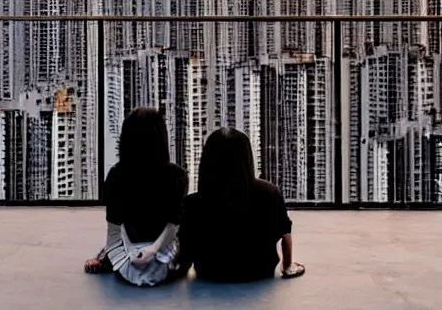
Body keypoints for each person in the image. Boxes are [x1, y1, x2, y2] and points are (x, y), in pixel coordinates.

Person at [177, 127, 305, 282]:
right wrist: (287, 265)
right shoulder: (270, 193)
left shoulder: (193, 203)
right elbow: (285, 233)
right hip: (260, 271)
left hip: (210, 272)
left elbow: (185, 249)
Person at [84, 107, 189, 287]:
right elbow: (174, 223)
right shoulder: (177, 175)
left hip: (126, 256)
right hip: (165, 254)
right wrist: (154, 250)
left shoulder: (116, 175)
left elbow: (114, 227)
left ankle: (107, 256)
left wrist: (121, 255)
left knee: (119, 245)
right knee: (185, 222)